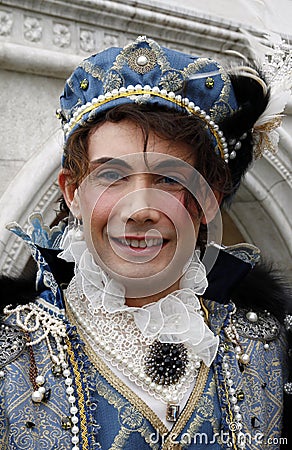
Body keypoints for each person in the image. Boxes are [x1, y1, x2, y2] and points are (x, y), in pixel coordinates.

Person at [0, 35, 291, 450]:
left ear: (207, 199)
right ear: (72, 193)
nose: (140, 210)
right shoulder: (10, 351)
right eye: (111, 177)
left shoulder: (267, 344)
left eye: (169, 180)